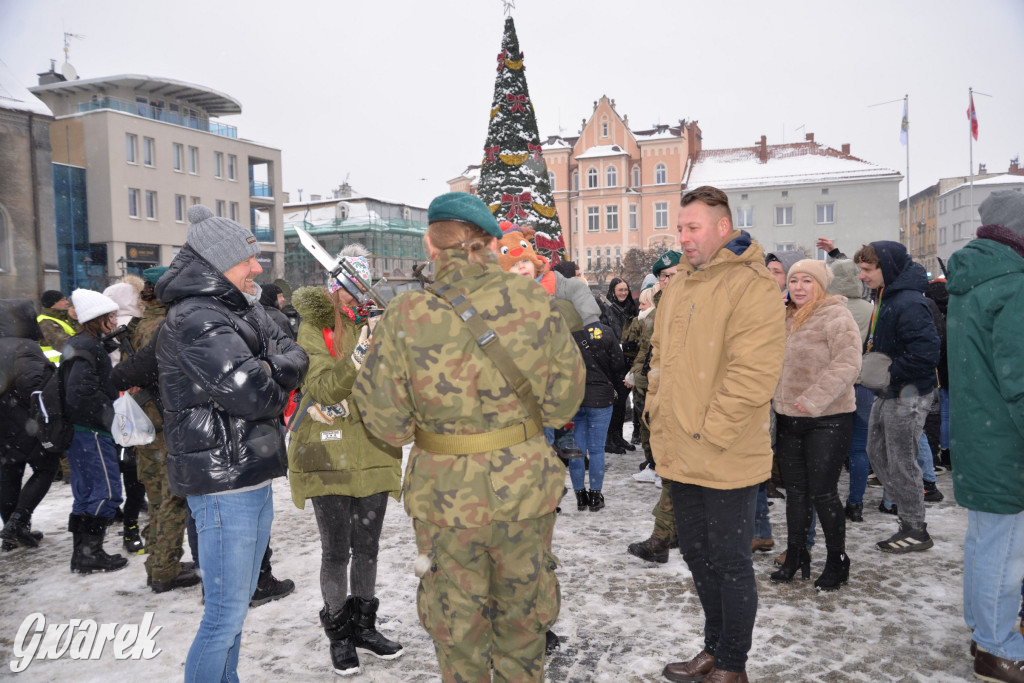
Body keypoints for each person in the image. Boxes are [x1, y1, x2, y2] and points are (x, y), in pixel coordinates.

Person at [352, 192, 585, 682]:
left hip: (444, 498)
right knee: (523, 623)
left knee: (458, 627)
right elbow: (565, 402)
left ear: (432, 248)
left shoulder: (407, 313)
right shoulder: (533, 300)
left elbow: (385, 421)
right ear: (493, 244)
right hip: (524, 489)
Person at [156, 205, 308, 681]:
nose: (258, 268)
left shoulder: (233, 309)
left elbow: (292, 349)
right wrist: (277, 367)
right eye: (249, 259)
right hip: (224, 485)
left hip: (246, 474)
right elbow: (254, 394)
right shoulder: (197, 317)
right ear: (219, 262)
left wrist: (274, 364)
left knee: (235, 610)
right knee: (223, 617)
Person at [652, 186, 785, 683]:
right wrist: (655, 416)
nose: (683, 238)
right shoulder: (681, 284)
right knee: (696, 553)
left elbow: (753, 373)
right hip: (681, 448)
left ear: (723, 227)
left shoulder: (751, 285)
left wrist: (711, 432)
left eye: (693, 228)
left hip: (725, 451)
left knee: (730, 561)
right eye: (680, 228)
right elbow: (661, 359)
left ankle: (733, 663)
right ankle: (713, 647)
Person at [287, 244, 404, 676]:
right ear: (333, 288)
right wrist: (359, 355)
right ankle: (339, 634)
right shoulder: (315, 327)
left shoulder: (379, 321)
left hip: (374, 448)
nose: (355, 298)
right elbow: (323, 388)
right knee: (337, 551)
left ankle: (364, 627)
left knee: (368, 548)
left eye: (361, 288)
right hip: (328, 454)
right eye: (348, 288)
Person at [947, 190, 1024, 682]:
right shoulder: (1012, 284)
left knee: (985, 540)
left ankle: (983, 630)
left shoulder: (971, 280)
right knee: (1005, 547)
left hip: (980, 430)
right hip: (1006, 439)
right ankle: (997, 647)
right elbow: (1019, 376)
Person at [769, 260, 861, 591]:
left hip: (828, 419)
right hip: (789, 418)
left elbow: (848, 364)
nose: (799, 286)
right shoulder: (784, 317)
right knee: (796, 493)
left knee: (823, 492)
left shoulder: (836, 315)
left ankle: (837, 560)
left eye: (807, 280)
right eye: (794, 280)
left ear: (820, 285)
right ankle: (796, 554)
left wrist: (813, 399)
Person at [109, 266, 201, 593]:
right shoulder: (167, 325)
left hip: (142, 421)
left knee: (155, 495)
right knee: (172, 498)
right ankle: (165, 570)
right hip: (164, 422)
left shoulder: (135, 324)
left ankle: (159, 562)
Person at [854, 241, 940, 553]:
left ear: (886, 268)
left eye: (867, 269)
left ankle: (915, 527)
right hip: (890, 391)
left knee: (901, 459)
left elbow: (927, 352)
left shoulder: (907, 301)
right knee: (876, 450)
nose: (862, 275)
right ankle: (908, 516)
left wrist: (890, 372)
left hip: (908, 393)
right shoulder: (887, 296)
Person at [63, 288, 128, 574]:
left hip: (79, 432)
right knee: (106, 492)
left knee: (86, 492)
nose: (114, 322)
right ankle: (91, 552)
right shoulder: (88, 347)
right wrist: (109, 414)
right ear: (96, 319)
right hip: (92, 431)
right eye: (110, 317)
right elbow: (80, 391)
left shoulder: (80, 344)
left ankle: (83, 554)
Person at [0, 299, 58, 551]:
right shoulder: (25, 346)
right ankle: (18, 522)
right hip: (25, 423)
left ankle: (13, 531)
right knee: (47, 467)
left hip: (3, 426)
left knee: (8, 474)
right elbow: (34, 387)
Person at [102, 281, 148, 555]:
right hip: (137, 405)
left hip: (114, 406)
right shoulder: (135, 326)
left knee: (126, 464)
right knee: (137, 468)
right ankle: (132, 527)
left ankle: (128, 522)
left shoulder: (106, 330)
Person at [604, 277, 638, 453]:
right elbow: (606, 333)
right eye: (620, 290)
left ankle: (618, 436)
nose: (623, 293)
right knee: (615, 402)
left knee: (623, 400)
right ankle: (609, 439)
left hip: (629, 360)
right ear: (613, 291)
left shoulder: (632, 308)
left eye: (626, 289)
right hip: (613, 361)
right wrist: (618, 346)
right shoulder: (607, 310)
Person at [37, 289, 77, 364]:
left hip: (67, 363)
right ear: (52, 304)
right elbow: (62, 343)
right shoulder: (46, 322)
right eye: (63, 300)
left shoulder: (64, 319)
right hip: (56, 366)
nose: (67, 302)